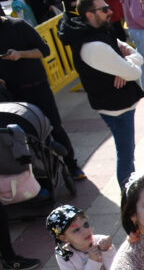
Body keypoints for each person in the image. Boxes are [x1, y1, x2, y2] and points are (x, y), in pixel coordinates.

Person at [57, 0, 144, 190]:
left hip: (120, 105)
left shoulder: (100, 34)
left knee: (127, 152)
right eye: (104, 9)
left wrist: (124, 65)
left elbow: (136, 55)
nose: (110, 11)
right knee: (126, 156)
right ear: (89, 14)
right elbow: (135, 71)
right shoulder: (94, 45)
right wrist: (125, 66)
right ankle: (129, 194)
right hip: (116, 109)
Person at [0, 15, 84, 180]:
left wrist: (20, 54)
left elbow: (44, 50)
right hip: (13, 94)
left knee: (55, 126)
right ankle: (40, 174)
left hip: (37, 87)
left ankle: (72, 166)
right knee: (22, 134)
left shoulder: (18, 26)